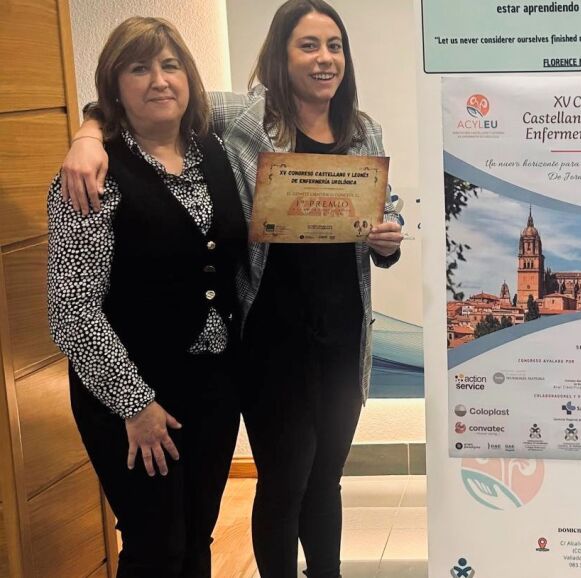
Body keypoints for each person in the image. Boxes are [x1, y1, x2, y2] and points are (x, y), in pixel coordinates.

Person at [60, 1, 405, 576]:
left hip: (341, 337)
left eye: (334, 45)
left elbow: (381, 209)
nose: (324, 58)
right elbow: (139, 96)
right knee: (273, 486)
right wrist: (87, 134)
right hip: (267, 339)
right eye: (308, 45)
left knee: (319, 481)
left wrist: (387, 240)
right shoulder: (244, 118)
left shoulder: (364, 130)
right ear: (280, 56)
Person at [46, 17, 247, 577]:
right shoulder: (90, 175)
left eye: (170, 65)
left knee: (198, 537)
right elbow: (72, 310)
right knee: (156, 547)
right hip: (129, 392)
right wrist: (135, 406)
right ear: (114, 86)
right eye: (139, 68)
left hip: (212, 385)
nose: (159, 80)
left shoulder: (216, 150)